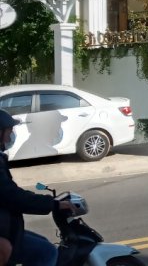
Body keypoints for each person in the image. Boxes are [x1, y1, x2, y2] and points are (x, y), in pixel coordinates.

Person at [0, 110, 74, 266]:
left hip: (6, 229)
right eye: (8, 131)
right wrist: (53, 204)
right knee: (46, 252)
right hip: (3, 232)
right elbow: (12, 196)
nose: (10, 136)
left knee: (43, 243)